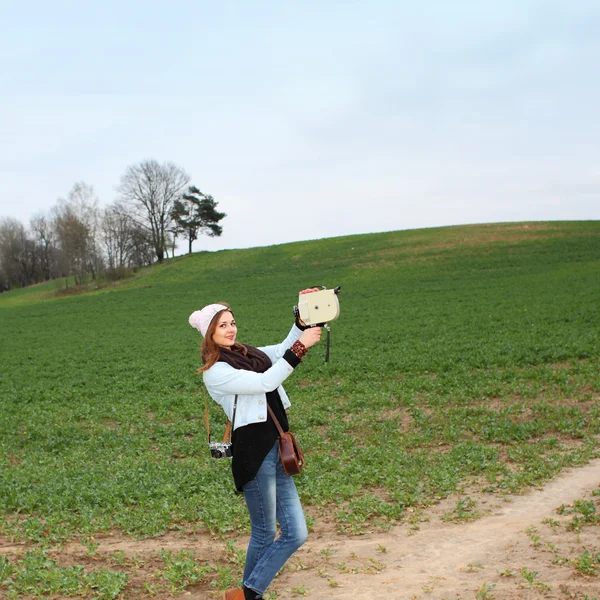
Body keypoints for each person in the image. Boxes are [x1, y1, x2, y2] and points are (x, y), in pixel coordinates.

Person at [189, 290, 322, 600]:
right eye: (222, 325)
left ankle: (248, 593)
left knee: (296, 533)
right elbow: (266, 382)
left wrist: (301, 323)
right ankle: (250, 596)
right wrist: (300, 349)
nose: (231, 329)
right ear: (210, 333)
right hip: (254, 454)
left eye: (232, 322)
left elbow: (279, 351)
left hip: (276, 448)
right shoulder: (216, 372)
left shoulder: (249, 354)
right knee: (264, 534)